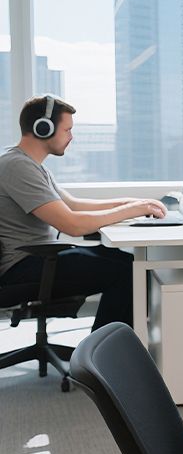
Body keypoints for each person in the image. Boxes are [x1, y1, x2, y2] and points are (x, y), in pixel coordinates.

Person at [0, 95, 166, 331]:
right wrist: (131, 210)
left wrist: (134, 203)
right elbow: (73, 225)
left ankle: (106, 352)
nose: (71, 137)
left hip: (36, 258)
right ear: (43, 128)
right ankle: (99, 359)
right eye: (67, 130)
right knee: (126, 272)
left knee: (126, 261)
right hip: (21, 267)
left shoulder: (32, 166)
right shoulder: (17, 166)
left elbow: (74, 205)